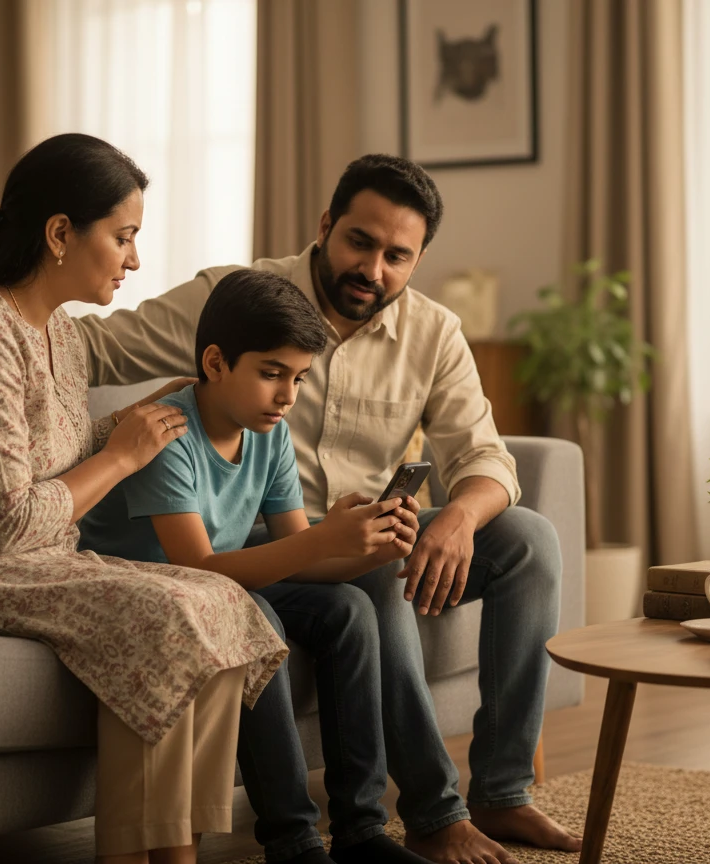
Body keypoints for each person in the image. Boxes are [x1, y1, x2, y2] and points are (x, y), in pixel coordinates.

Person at [69, 154, 583, 864]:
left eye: (397, 256)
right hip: (247, 531)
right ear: (325, 227)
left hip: (345, 525)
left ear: (418, 260)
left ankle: (502, 790)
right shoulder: (237, 297)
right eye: (359, 242)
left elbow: (486, 460)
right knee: (374, 577)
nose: (373, 268)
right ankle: (432, 813)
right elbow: (89, 347)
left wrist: (459, 520)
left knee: (528, 540)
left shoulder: (433, 333)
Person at [0, 133, 288, 864]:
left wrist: (135, 423)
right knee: (164, 613)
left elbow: (51, 456)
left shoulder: (60, 332)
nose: (134, 259)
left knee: (213, 597)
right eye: (124, 236)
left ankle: (179, 850)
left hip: (26, 563)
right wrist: (120, 457)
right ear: (60, 234)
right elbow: (5, 523)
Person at [80, 268, 436, 864]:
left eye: (298, 378)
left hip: (219, 582)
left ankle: (361, 829)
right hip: (160, 590)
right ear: (215, 362)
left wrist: (368, 546)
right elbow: (198, 566)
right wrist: (324, 541)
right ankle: (293, 841)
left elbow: (297, 549)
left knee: (350, 608)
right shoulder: (168, 436)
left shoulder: (269, 434)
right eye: (272, 374)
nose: (288, 395)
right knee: (258, 617)